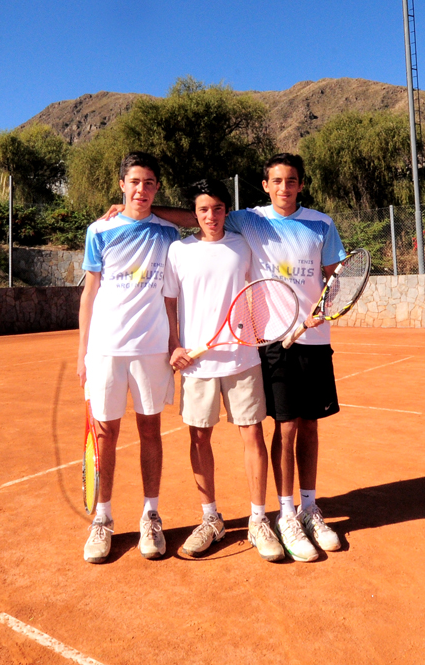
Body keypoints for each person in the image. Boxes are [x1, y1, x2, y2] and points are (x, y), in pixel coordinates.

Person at [137, 153, 347, 562]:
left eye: (291, 181)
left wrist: (325, 306)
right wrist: (139, 206)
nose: (284, 187)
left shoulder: (298, 226)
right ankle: (245, 516)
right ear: (265, 185)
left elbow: (335, 273)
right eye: (276, 181)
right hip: (242, 350)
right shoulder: (235, 226)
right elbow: (191, 219)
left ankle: (290, 512)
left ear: (300, 184)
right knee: (257, 430)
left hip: (286, 345)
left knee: (296, 428)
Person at [162, 179, 285, 562]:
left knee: (252, 435)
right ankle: (210, 518)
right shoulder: (178, 251)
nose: (211, 216)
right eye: (203, 210)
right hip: (197, 364)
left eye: (217, 209)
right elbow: (168, 303)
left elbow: (266, 289)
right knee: (199, 438)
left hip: (243, 359)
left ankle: (258, 519)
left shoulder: (243, 245)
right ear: (193, 215)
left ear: (225, 211)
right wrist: (175, 346)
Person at [78, 152, 181, 564]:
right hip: (105, 348)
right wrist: (82, 353)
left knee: (151, 432)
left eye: (150, 183)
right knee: (105, 434)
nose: (142, 189)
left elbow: (198, 217)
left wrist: (151, 207)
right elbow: (89, 293)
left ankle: (150, 515)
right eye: (135, 182)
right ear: (121, 184)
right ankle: (102, 520)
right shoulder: (98, 230)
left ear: (157, 189)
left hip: (152, 349)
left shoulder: (167, 233)